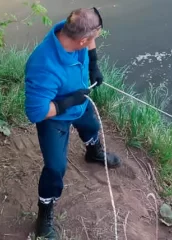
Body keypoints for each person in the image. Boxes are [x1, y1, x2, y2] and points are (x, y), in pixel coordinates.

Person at [24, 8, 121, 239]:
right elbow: (36, 112)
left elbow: (89, 40)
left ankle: (93, 153)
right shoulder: (43, 66)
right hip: (54, 118)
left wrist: (93, 64)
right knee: (56, 168)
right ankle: (44, 214)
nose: (93, 42)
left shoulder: (70, 29)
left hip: (79, 101)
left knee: (92, 128)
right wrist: (67, 103)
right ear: (83, 40)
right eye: (93, 39)